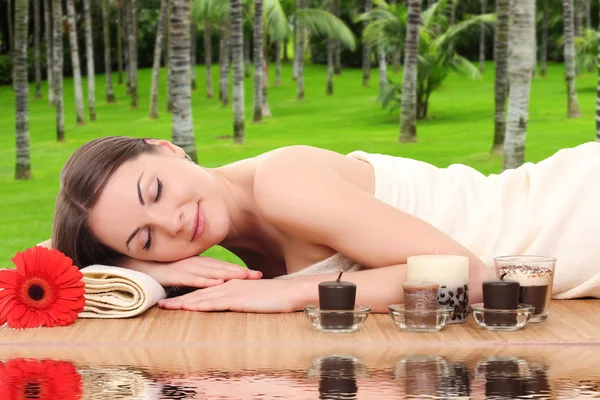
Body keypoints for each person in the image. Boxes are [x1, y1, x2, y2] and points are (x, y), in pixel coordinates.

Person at [42, 136, 600, 314]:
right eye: (146, 237)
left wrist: (291, 296)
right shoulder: (236, 252)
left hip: (580, 211)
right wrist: (137, 268)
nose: (174, 222)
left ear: (167, 148)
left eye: (155, 190)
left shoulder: (283, 183)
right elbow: (52, 264)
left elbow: (469, 280)